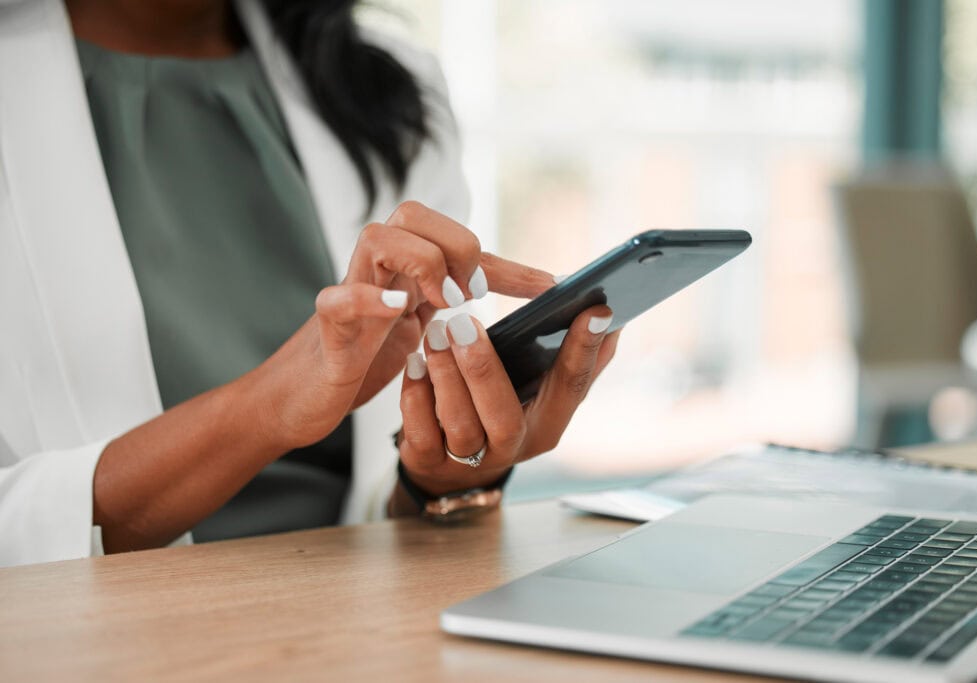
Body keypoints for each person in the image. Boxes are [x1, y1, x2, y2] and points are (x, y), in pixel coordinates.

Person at [0, 0, 619, 567]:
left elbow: (387, 517)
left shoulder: (389, 85)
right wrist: (271, 406)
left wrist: (449, 474)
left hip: (341, 615)